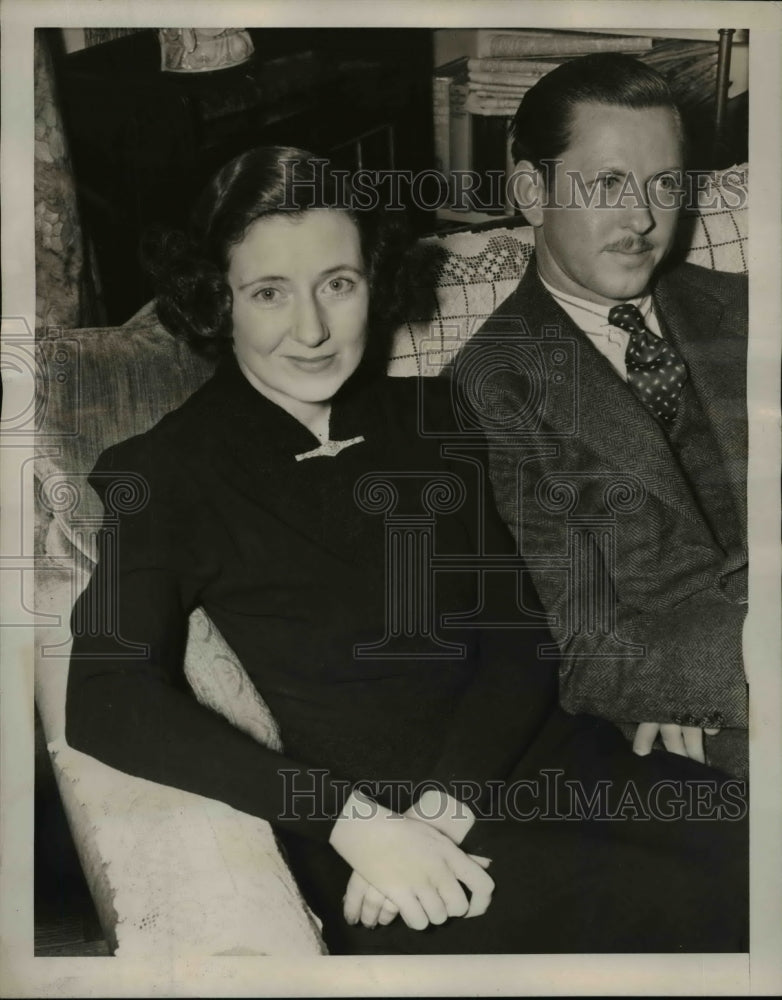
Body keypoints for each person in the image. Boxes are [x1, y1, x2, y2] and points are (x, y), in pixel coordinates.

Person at [66, 146, 747, 955]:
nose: (311, 330)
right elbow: (105, 697)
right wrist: (354, 824)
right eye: (269, 292)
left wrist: (445, 807)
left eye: (338, 284)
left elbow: (519, 632)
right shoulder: (163, 472)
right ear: (219, 299)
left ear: (374, 282)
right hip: (378, 846)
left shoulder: (440, 412)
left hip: (542, 766)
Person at [448, 53, 748, 780]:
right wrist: (733, 668)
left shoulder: (750, 310)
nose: (642, 218)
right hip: (720, 698)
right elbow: (582, 645)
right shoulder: (493, 388)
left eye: (664, 184)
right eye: (607, 183)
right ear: (532, 191)